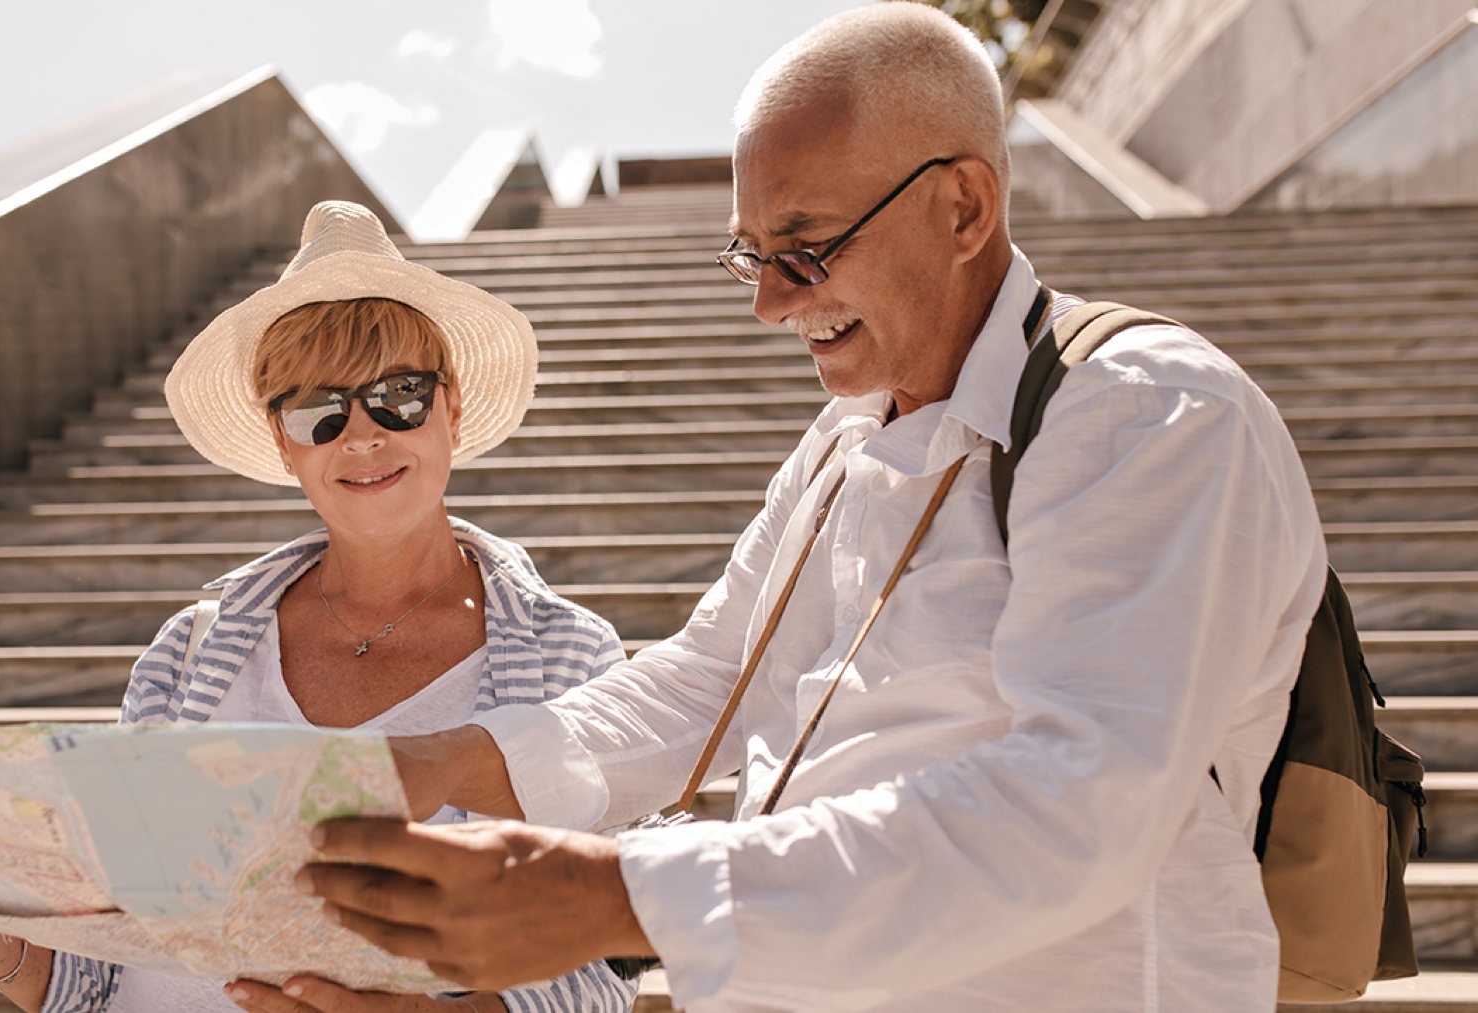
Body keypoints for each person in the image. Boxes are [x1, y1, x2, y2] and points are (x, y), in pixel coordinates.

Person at [274, 6, 1329, 1012]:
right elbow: (713, 680)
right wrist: (444, 759)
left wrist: (615, 893)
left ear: (964, 207)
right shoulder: (843, 438)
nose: (770, 302)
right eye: (749, 253)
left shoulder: (1150, 414)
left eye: (805, 247)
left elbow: (1080, 805)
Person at [0, 201, 640, 1013]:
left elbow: (606, 968)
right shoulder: (188, 650)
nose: (362, 435)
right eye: (318, 410)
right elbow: (104, 969)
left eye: (399, 394)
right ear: (282, 441)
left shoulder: (570, 657)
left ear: (453, 407)